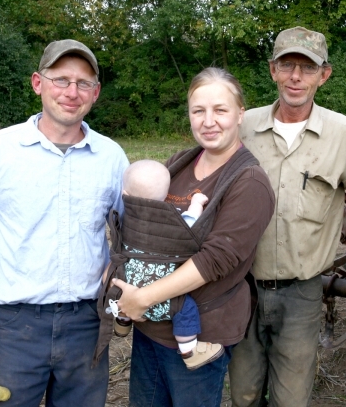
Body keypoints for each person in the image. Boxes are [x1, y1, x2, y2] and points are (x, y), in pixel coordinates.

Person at [0, 39, 129, 407]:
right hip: (16, 329)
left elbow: (134, 236)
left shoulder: (111, 157)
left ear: (96, 93)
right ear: (37, 83)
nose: (71, 92)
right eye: (60, 80)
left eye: (83, 83)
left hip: (86, 327)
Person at [110, 67, 275, 407]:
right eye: (198, 111)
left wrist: (143, 297)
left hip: (199, 337)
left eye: (220, 110)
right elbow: (143, 224)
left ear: (240, 113)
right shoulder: (177, 166)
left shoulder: (249, 182)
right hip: (151, 328)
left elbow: (216, 259)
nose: (208, 120)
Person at [228, 26, 346, 407]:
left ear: (323, 75)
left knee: (291, 398)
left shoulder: (343, 134)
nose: (296, 77)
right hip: (241, 287)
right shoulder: (242, 127)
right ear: (272, 69)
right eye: (287, 65)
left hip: (302, 292)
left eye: (307, 68)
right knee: (243, 392)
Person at [105, 159, 223, 370]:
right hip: (162, 297)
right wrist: (196, 203)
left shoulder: (127, 219)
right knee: (186, 308)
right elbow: (190, 224)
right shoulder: (171, 221)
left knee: (120, 284)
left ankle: (122, 322)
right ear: (167, 194)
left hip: (128, 288)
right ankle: (189, 350)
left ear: (125, 194)